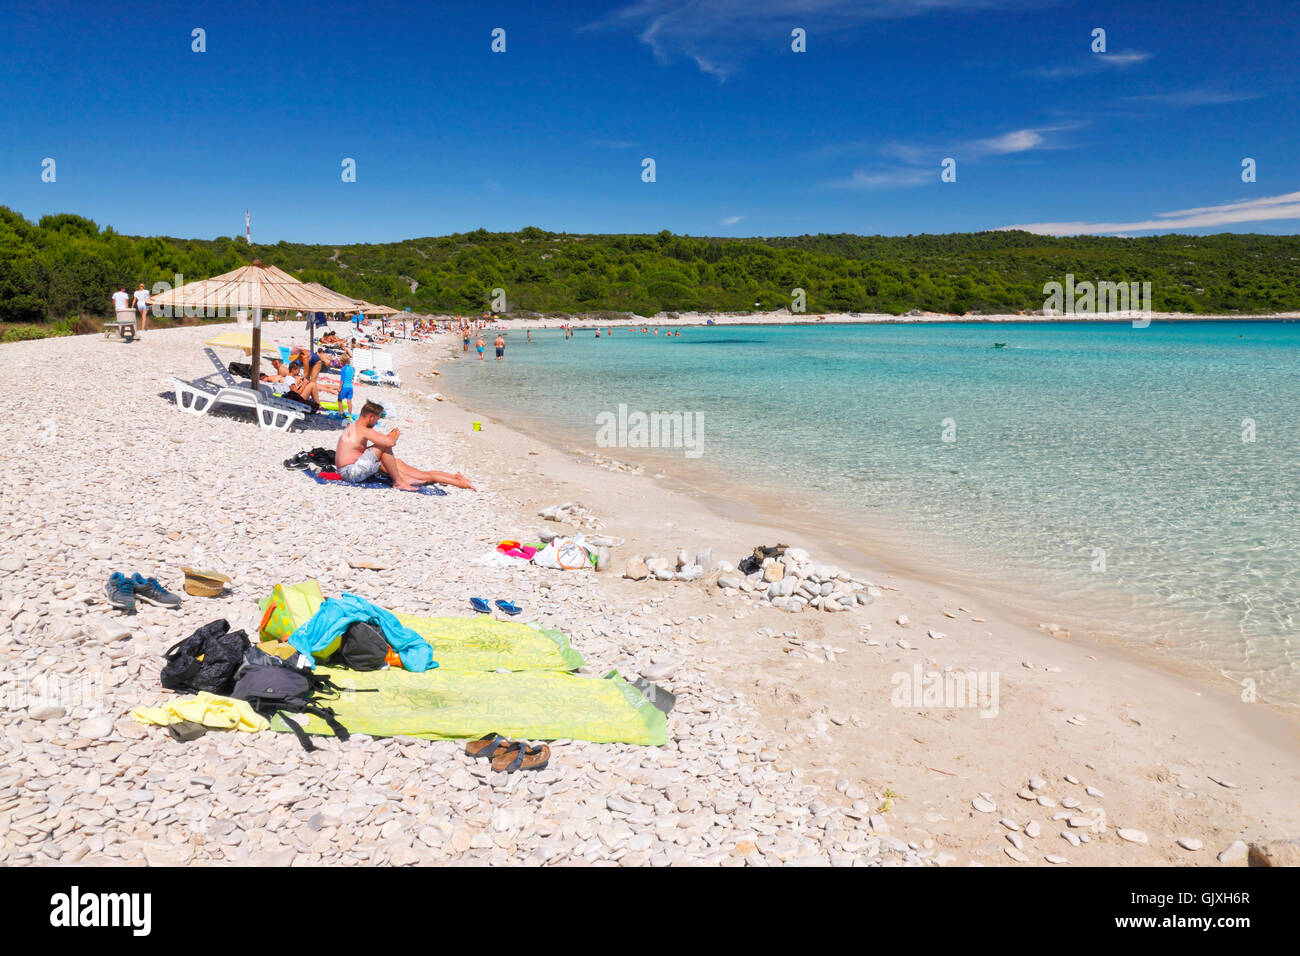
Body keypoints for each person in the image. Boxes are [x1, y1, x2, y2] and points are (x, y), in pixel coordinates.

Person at [336, 401, 475, 491]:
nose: (377, 422)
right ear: (371, 416)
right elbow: (389, 443)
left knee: (398, 463)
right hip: (350, 473)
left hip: (352, 467)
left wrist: (387, 439)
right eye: (377, 419)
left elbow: (365, 448)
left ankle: (455, 478)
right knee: (384, 447)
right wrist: (393, 436)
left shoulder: (353, 427)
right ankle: (399, 482)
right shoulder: (363, 430)